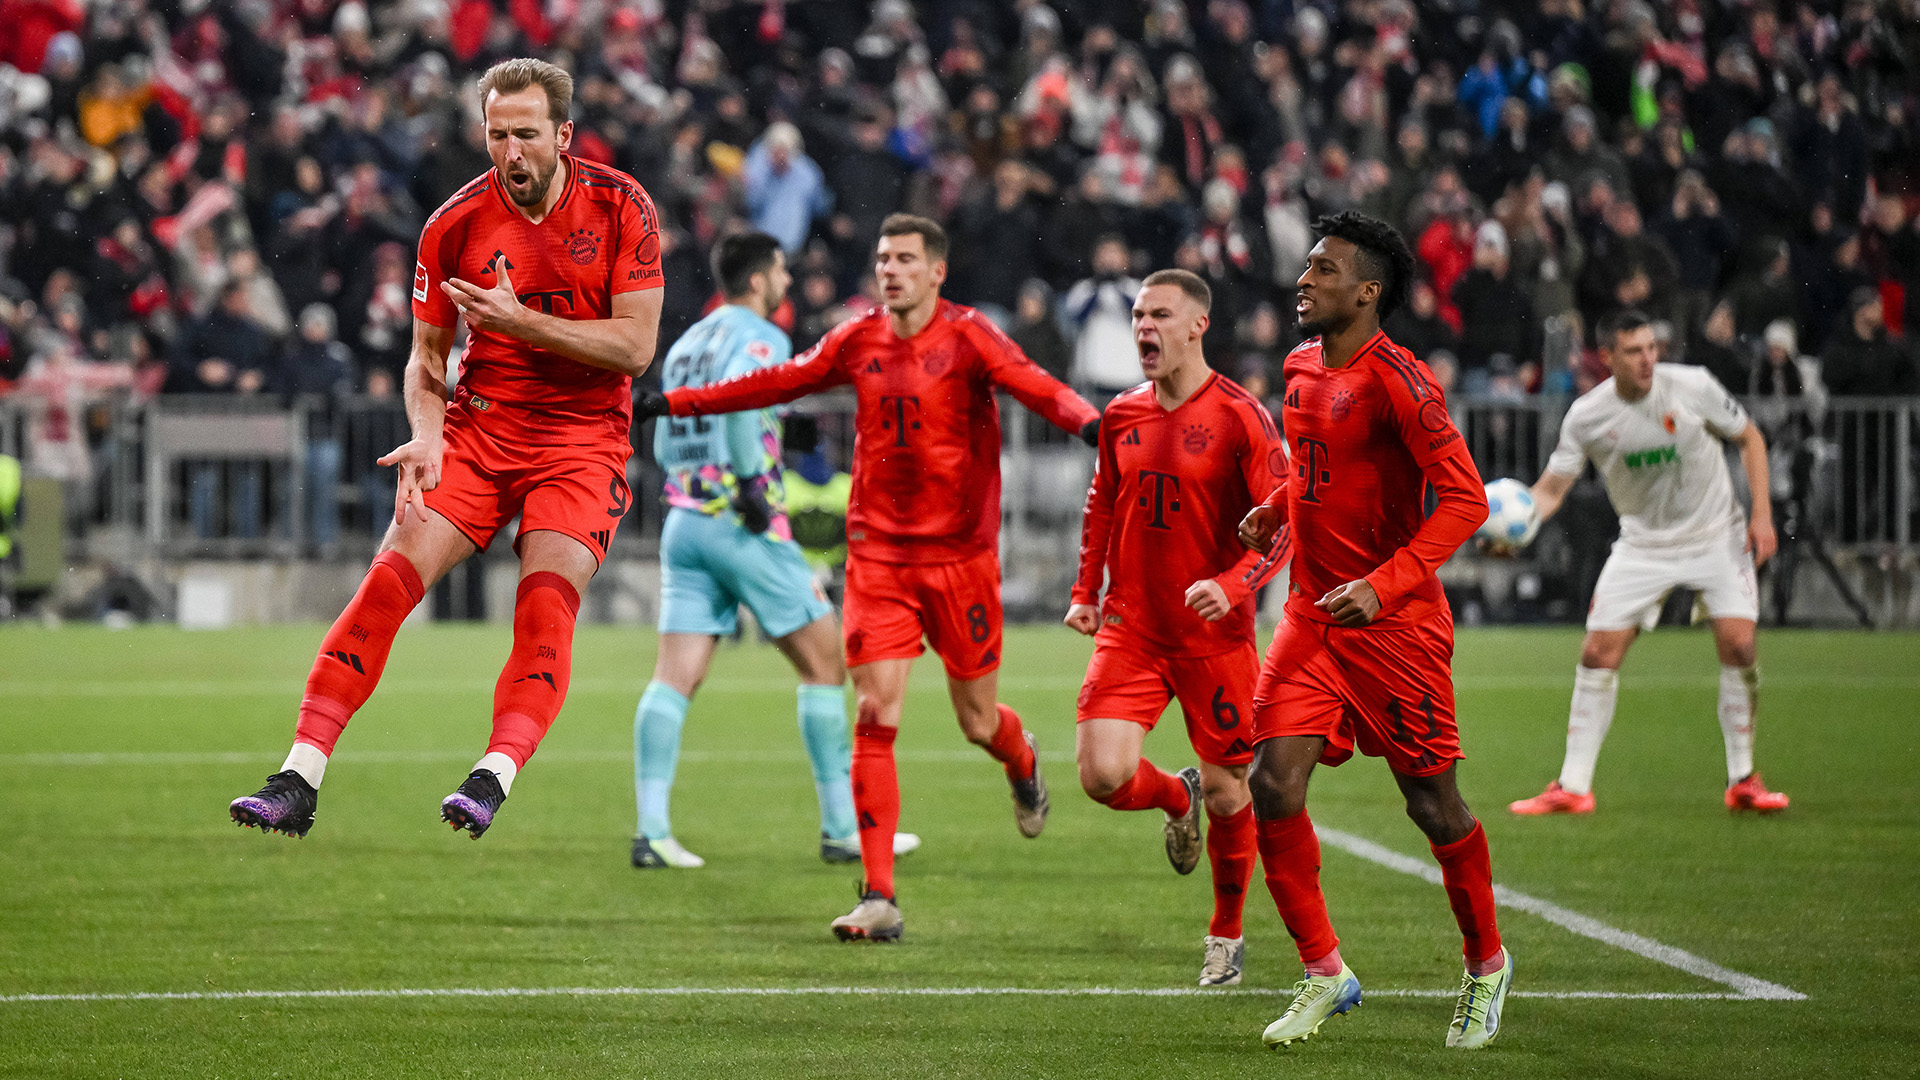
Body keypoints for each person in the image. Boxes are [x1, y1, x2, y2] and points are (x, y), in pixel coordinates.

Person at [228, 59, 664, 840]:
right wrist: (427, 437)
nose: (511, 152)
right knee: (387, 583)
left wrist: (519, 320)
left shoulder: (623, 204)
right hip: (481, 430)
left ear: (563, 135)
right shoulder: (452, 225)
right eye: (497, 135)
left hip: (582, 440)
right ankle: (299, 776)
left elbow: (634, 349)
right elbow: (427, 360)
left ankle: (493, 773)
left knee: (544, 601)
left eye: (527, 134)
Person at [640, 213, 1099, 942]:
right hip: (880, 558)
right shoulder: (858, 338)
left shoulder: (971, 335)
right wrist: (676, 403)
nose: (889, 269)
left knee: (978, 722)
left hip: (960, 559)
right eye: (883, 257)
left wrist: (1091, 425)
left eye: (905, 259)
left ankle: (1022, 757)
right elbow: (776, 382)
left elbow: (1036, 386)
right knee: (875, 714)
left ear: (936, 272)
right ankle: (878, 896)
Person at [1236, 211, 1510, 1050]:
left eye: (1322, 270)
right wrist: (1277, 509)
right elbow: (1322, 474)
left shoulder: (1402, 383)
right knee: (1271, 785)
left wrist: (1384, 584)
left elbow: (1465, 499)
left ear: (1367, 292)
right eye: (1305, 267)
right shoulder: (1296, 365)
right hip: (1313, 616)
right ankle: (1325, 972)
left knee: (1432, 804)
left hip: (1395, 629)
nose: (1303, 280)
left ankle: (1487, 964)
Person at [630, 231, 918, 870]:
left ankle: (651, 830)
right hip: (743, 523)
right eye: (782, 270)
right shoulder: (758, 337)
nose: (787, 281)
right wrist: (752, 490)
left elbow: (661, 437)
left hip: (685, 521)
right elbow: (742, 398)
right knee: (825, 666)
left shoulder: (687, 343)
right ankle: (844, 829)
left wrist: (697, 483)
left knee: (674, 677)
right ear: (759, 279)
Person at [1066, 268, 1289, 988]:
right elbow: (1103, 502)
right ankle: (1172, 795)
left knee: (1232, 794)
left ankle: (1225, 933)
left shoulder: (1241, 417)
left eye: (1159, 314)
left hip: (1213, 641)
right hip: (1131, 627)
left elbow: (1284, 528)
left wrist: (1233, 585)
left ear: (1198, 325)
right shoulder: (1123, 414)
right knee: (1101, 775)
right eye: (1136, 315)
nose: (1142, 328)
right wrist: (1085, 590)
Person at [1505, 309, 1787, 817]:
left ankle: (1743, 778)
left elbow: (1750, 438)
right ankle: (1573, 787)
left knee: (1740, 643)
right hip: (1642, 544)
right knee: (1597, 654)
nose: (1648, 359)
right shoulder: (1587, 416)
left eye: (1652, 347)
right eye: (1634, 351)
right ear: (1606, 357)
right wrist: (1513, 526)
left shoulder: (1693, 386)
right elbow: (1549, 492)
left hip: (1715, 536)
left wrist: (1762, 515)